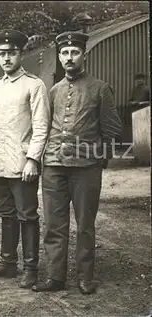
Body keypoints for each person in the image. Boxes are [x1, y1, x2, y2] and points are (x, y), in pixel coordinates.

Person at [32, 31, 122, 295]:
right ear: (59, 57)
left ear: (84, 55)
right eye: (64, 53)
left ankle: (85, 277)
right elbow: (45, 126)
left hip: (86, 168)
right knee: (54, 224)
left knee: (85, 224)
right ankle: (55, 277)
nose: (69, 58)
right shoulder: (54, 91)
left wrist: (100, 158)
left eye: (74, 53)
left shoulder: (100, 88)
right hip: (54, 167)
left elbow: (112, 128)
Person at [0, 29, 50, 289]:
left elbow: (41, 126)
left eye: (11, 53)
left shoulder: (34, 85)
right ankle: (8, 263)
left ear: (21, 54)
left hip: (22, 163)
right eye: (2, 54)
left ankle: (31, 267)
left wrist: (33, 159)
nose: (6, 58)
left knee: (27, 215)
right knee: (6, 214)